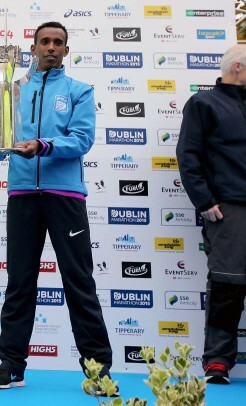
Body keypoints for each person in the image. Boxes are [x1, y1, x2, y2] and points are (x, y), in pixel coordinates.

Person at [0, 21, 116, 395]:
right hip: (23, 194)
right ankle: (11, 364)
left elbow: (82, 139)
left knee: (79, 283)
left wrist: (42, 146)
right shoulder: (13, 90)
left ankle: (98, 370)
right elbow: (0, 133)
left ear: (66, 50)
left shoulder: (79, 90)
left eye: (58, 42)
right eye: (45, 42)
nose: (51, 47)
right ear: (34, 47)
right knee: (19, 283)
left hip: (65, 196)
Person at [176, 44, 246, 385]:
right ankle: (218, 361)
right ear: (237, 67)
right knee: (227, 284)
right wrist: (204, 202)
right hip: (230, 209)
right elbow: (188, 155)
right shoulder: (204, 103)